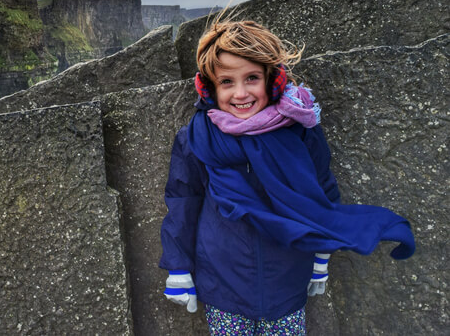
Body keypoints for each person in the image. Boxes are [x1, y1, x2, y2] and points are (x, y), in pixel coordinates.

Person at [159, 17, 415, 335]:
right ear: (209, 87)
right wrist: (179, 266)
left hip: (287, 276)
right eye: (227, 82)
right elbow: (184, 200)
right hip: (222, 280)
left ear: (272, 80)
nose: (240, 93)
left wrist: (321, 255)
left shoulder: (299, 130)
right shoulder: (197, 138)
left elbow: (321, 190)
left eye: (251, 78)